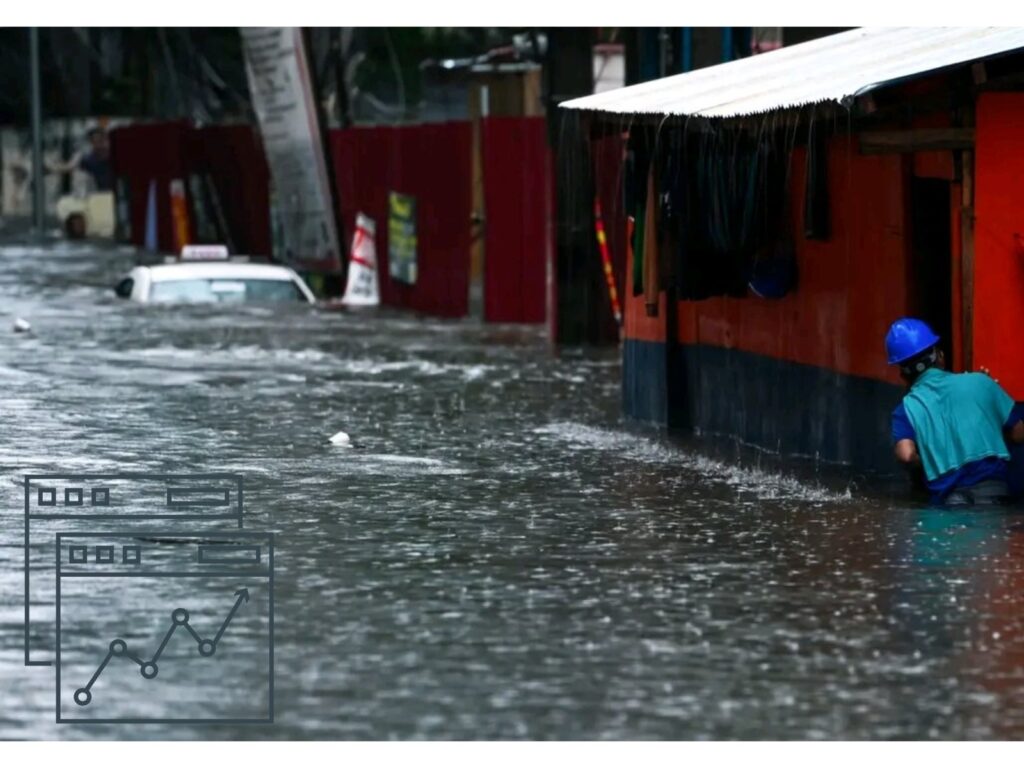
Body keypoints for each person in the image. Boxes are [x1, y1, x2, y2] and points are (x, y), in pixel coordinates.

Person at [887, 318, 1024, 505]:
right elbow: (1019, 433)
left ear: (903, 373)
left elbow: (905, 454)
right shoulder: (982, 382)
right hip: (993, 493)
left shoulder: (906, 408)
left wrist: (930, 458)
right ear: (939, 356)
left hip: (947, 501)